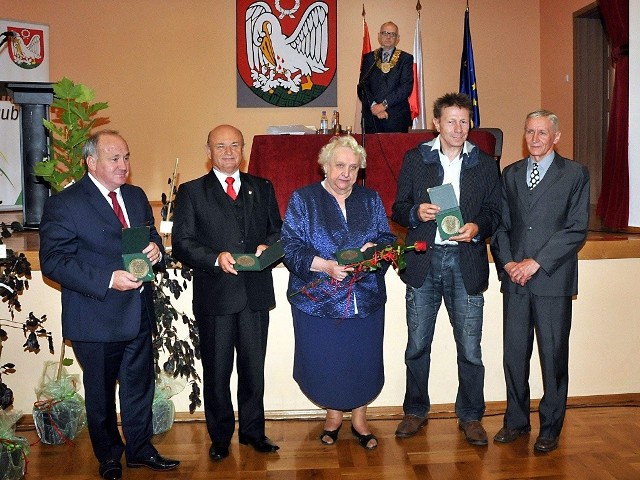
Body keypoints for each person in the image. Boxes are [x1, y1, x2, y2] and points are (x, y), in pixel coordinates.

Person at [39, 130, 179, 480]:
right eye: (114, 158)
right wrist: (107, 278)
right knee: (100, 394)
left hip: (138, 312)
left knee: (139, 387)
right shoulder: (65, 203)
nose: (123, 165)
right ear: (91, 162)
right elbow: (54, 260)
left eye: (126, 157)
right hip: (95, 315)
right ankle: (109, 456)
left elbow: (148, 240)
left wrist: (156, 250)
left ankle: (140, 450)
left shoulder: (134, 196)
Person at [391, 92, 501, 445]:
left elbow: (494, 212)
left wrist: (478, 227)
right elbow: (398, 207)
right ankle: (415, 410)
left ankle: (470, 416)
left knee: (470, 349)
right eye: (450, 121)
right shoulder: (415, 158)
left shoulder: (484, 163)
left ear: (471, 124)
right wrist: (414, 214)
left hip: (465, 262)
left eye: (464, 121)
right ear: (436, 123)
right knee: (417, 345)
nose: (457, 128)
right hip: (424, 262)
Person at [171, 124, 282, 461]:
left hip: (254, 295)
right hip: (216, 296)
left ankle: (253, 433)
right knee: (217, 372)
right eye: (221, 146)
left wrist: (269, 245)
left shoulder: (262, 187)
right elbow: (182, 244)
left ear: (243, 149)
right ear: (209, 152)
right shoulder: (191, 192)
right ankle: (220, 436)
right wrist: (215, 258)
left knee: (253, 370)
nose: (229, 152)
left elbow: (279, 233)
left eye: (235, 145)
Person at [281, 135, 396, 450]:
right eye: (339, 165)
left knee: (361, 360)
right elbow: (290, 247)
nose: (346, 173)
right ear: (325, 166)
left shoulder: (370, 199)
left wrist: (378, 251)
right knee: (327, 361)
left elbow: (388, 239)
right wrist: (324, 266)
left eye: (353, 167)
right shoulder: (303, 199)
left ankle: (360, 419)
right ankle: (332, 417)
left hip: (364, 298)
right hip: (318, 298)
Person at [490, 110, 589, 453]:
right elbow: (501, 227)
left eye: (542, 133)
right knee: (514, 356)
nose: (535, 138)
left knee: (553, 356)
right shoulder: (511, 174)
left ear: (555, 137)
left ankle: (550, 427)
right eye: (530, 131)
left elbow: (576, 229)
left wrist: (536, 263)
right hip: (514, 281)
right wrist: (508, 264)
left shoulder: (575, 174)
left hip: (552, 280)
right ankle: (516, 421)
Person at [358, 21, 414, 133]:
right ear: (379, 36)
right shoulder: (369, 58)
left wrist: (383, 105)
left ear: (397, 38)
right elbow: (363, 86)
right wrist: (374, 106)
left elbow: (405, 88)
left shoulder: (405, 59)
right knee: (371, 150)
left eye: (392, 34)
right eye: (385, 33)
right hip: (371, 117)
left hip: (396, 118)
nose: (388, 37)